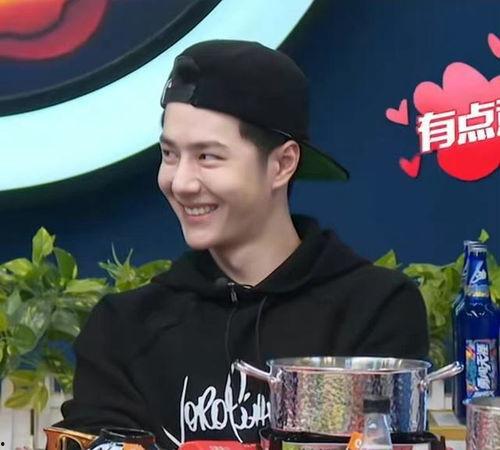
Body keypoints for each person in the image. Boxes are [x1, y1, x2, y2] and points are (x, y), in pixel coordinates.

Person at [55, 40, 429, 449]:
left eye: (208, 157)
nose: (181, 183)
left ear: (282, 164)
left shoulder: (374, 309)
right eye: (170, 154)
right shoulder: (122, 329)